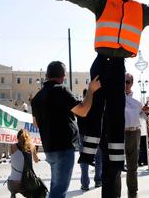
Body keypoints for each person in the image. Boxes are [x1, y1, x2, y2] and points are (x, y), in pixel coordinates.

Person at [55, 0, 149, 198]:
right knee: (102, 110)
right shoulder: (117, 5)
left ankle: (108, 160)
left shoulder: (119, 5)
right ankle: (91, 155)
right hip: (109, 65)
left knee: (110, 112)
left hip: (113, 65)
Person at [31, 61, 101, 198]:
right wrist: (91, 90)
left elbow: (35, 124)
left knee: (56, 186)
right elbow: (82, 110)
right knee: (59, 191)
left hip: (49, 148)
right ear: (63, 76)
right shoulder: (61, 90)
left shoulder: (37, 98)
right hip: (63, 148)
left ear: (47, 75)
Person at [124, 73, 147, 198]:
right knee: (116, 166)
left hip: (134, 132)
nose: (125, 84)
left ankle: (132, 194)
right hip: (119, 133)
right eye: (123, 81)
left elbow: (143, 116)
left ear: (132, 83)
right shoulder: (115, 96)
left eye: (127, 82)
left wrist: (145, 110)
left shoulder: (138, 98)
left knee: (132, 167)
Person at [77, 88, 102, 191]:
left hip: (83, 136)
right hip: (95, 135)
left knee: (84, 160)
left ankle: (85, 184)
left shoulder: (80, 106)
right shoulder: (97, 106)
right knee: (98, 159)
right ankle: (98, 180)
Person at [7, 129, 39, 198]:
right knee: (35, 189)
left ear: (17, 138)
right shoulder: (32, 147)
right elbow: (36, 161)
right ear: (28, 138)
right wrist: (34, 151)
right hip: (26, 184)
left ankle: (13, 195)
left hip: (12, 184)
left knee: (13, 188)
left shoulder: (12, 147)